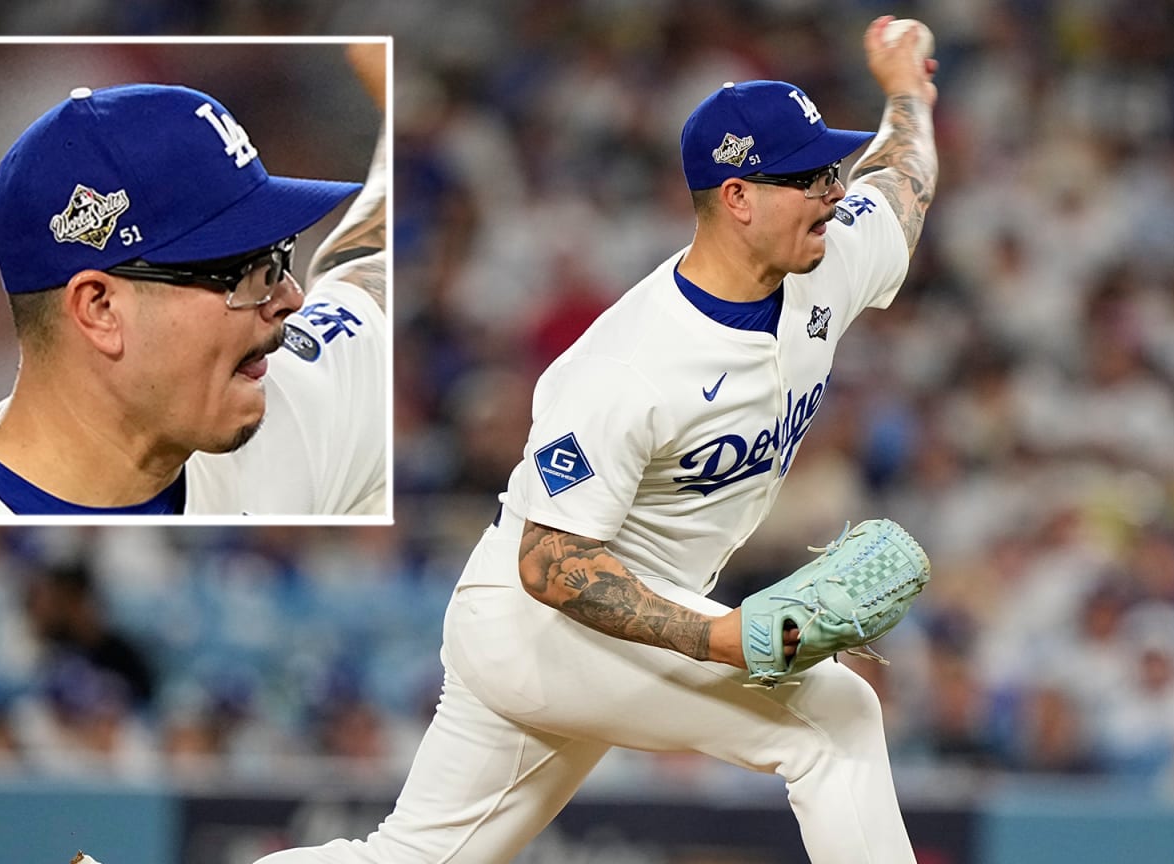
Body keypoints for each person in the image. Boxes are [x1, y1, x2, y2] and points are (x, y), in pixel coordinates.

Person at [256, 16, 939, 863]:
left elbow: (902, 184)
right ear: (738, 198)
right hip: (541, 623)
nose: (834, 193)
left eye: (830, 171)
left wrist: (908, 88)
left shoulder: (828, 253)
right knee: (835, 718)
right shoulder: (629, 363)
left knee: (412, 858)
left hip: (605, 626)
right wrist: (718, 638)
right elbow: (550, 563)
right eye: (808, 177)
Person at [0, 45, 388, 517]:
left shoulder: (290, 401)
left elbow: (371, 275)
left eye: (278, 258)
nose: (290, 299)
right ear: (99, 309)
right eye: (243, 273)